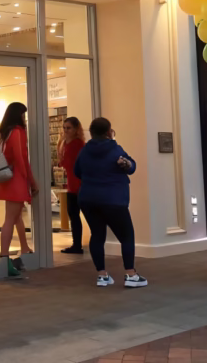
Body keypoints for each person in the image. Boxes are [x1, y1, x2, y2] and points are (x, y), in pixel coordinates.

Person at [75, 117, 147, 288]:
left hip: (88, 198)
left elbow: (77, 171)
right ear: (109, 131)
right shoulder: (114, 149)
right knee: (126, 236)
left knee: (97, 235)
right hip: (113, 199)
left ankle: (102, 275)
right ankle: (131, 274)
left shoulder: (84, 151)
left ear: (91, 132)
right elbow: (131, 167)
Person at [0, 102, 39, 276]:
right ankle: (4, 258)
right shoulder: (17, 132)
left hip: (5, 178)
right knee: (10, 218)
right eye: (23, 115)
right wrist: (31, 181)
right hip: (16, 179)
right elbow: (21, 158)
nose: (25, 118)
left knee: (15, 216)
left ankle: (24, 246)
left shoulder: (1, 134)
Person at [59, 117, 86, 255]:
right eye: (64, 128)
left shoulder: (78, 144)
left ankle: (78, 245)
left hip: (79, 184)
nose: (66, 130)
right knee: (73, 215)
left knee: (80, 215)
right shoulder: (65, 143)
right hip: (71, 184)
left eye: (68, 128)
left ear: (76, 129)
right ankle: (76, 244)